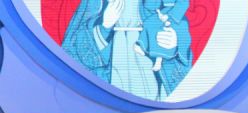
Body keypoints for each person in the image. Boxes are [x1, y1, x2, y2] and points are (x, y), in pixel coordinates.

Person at [62, 0, 192, 99]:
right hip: (112, 69)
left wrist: (173, 42)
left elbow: (177, 20)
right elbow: (72, 52)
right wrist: (104, 27)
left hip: (149, 65)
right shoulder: (96, 3)